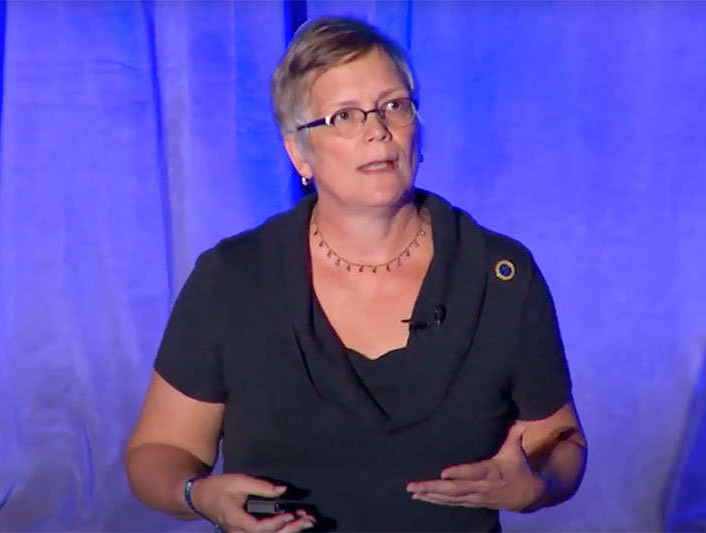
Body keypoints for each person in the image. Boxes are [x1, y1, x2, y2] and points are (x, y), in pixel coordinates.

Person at [125, 16, 587, 533]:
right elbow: (158, 451)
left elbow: (562, 442)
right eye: (344, 116)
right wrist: (197, 495)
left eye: (394, 106)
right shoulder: (232, 279)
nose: (378, 129)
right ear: (299, 152)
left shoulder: (501, 275)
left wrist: (538, 486)